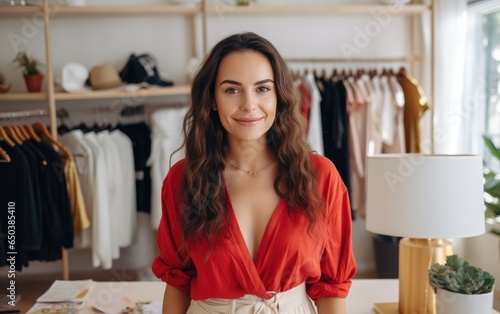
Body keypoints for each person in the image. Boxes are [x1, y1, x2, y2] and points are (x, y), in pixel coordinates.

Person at [152, 32, 356, 314]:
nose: (249, 104)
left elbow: (331, 287)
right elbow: (177, 281)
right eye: (232, 90)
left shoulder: (321, 177)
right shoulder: (184, 180)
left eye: (262, 89)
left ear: (278, 96)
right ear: (212, 99)